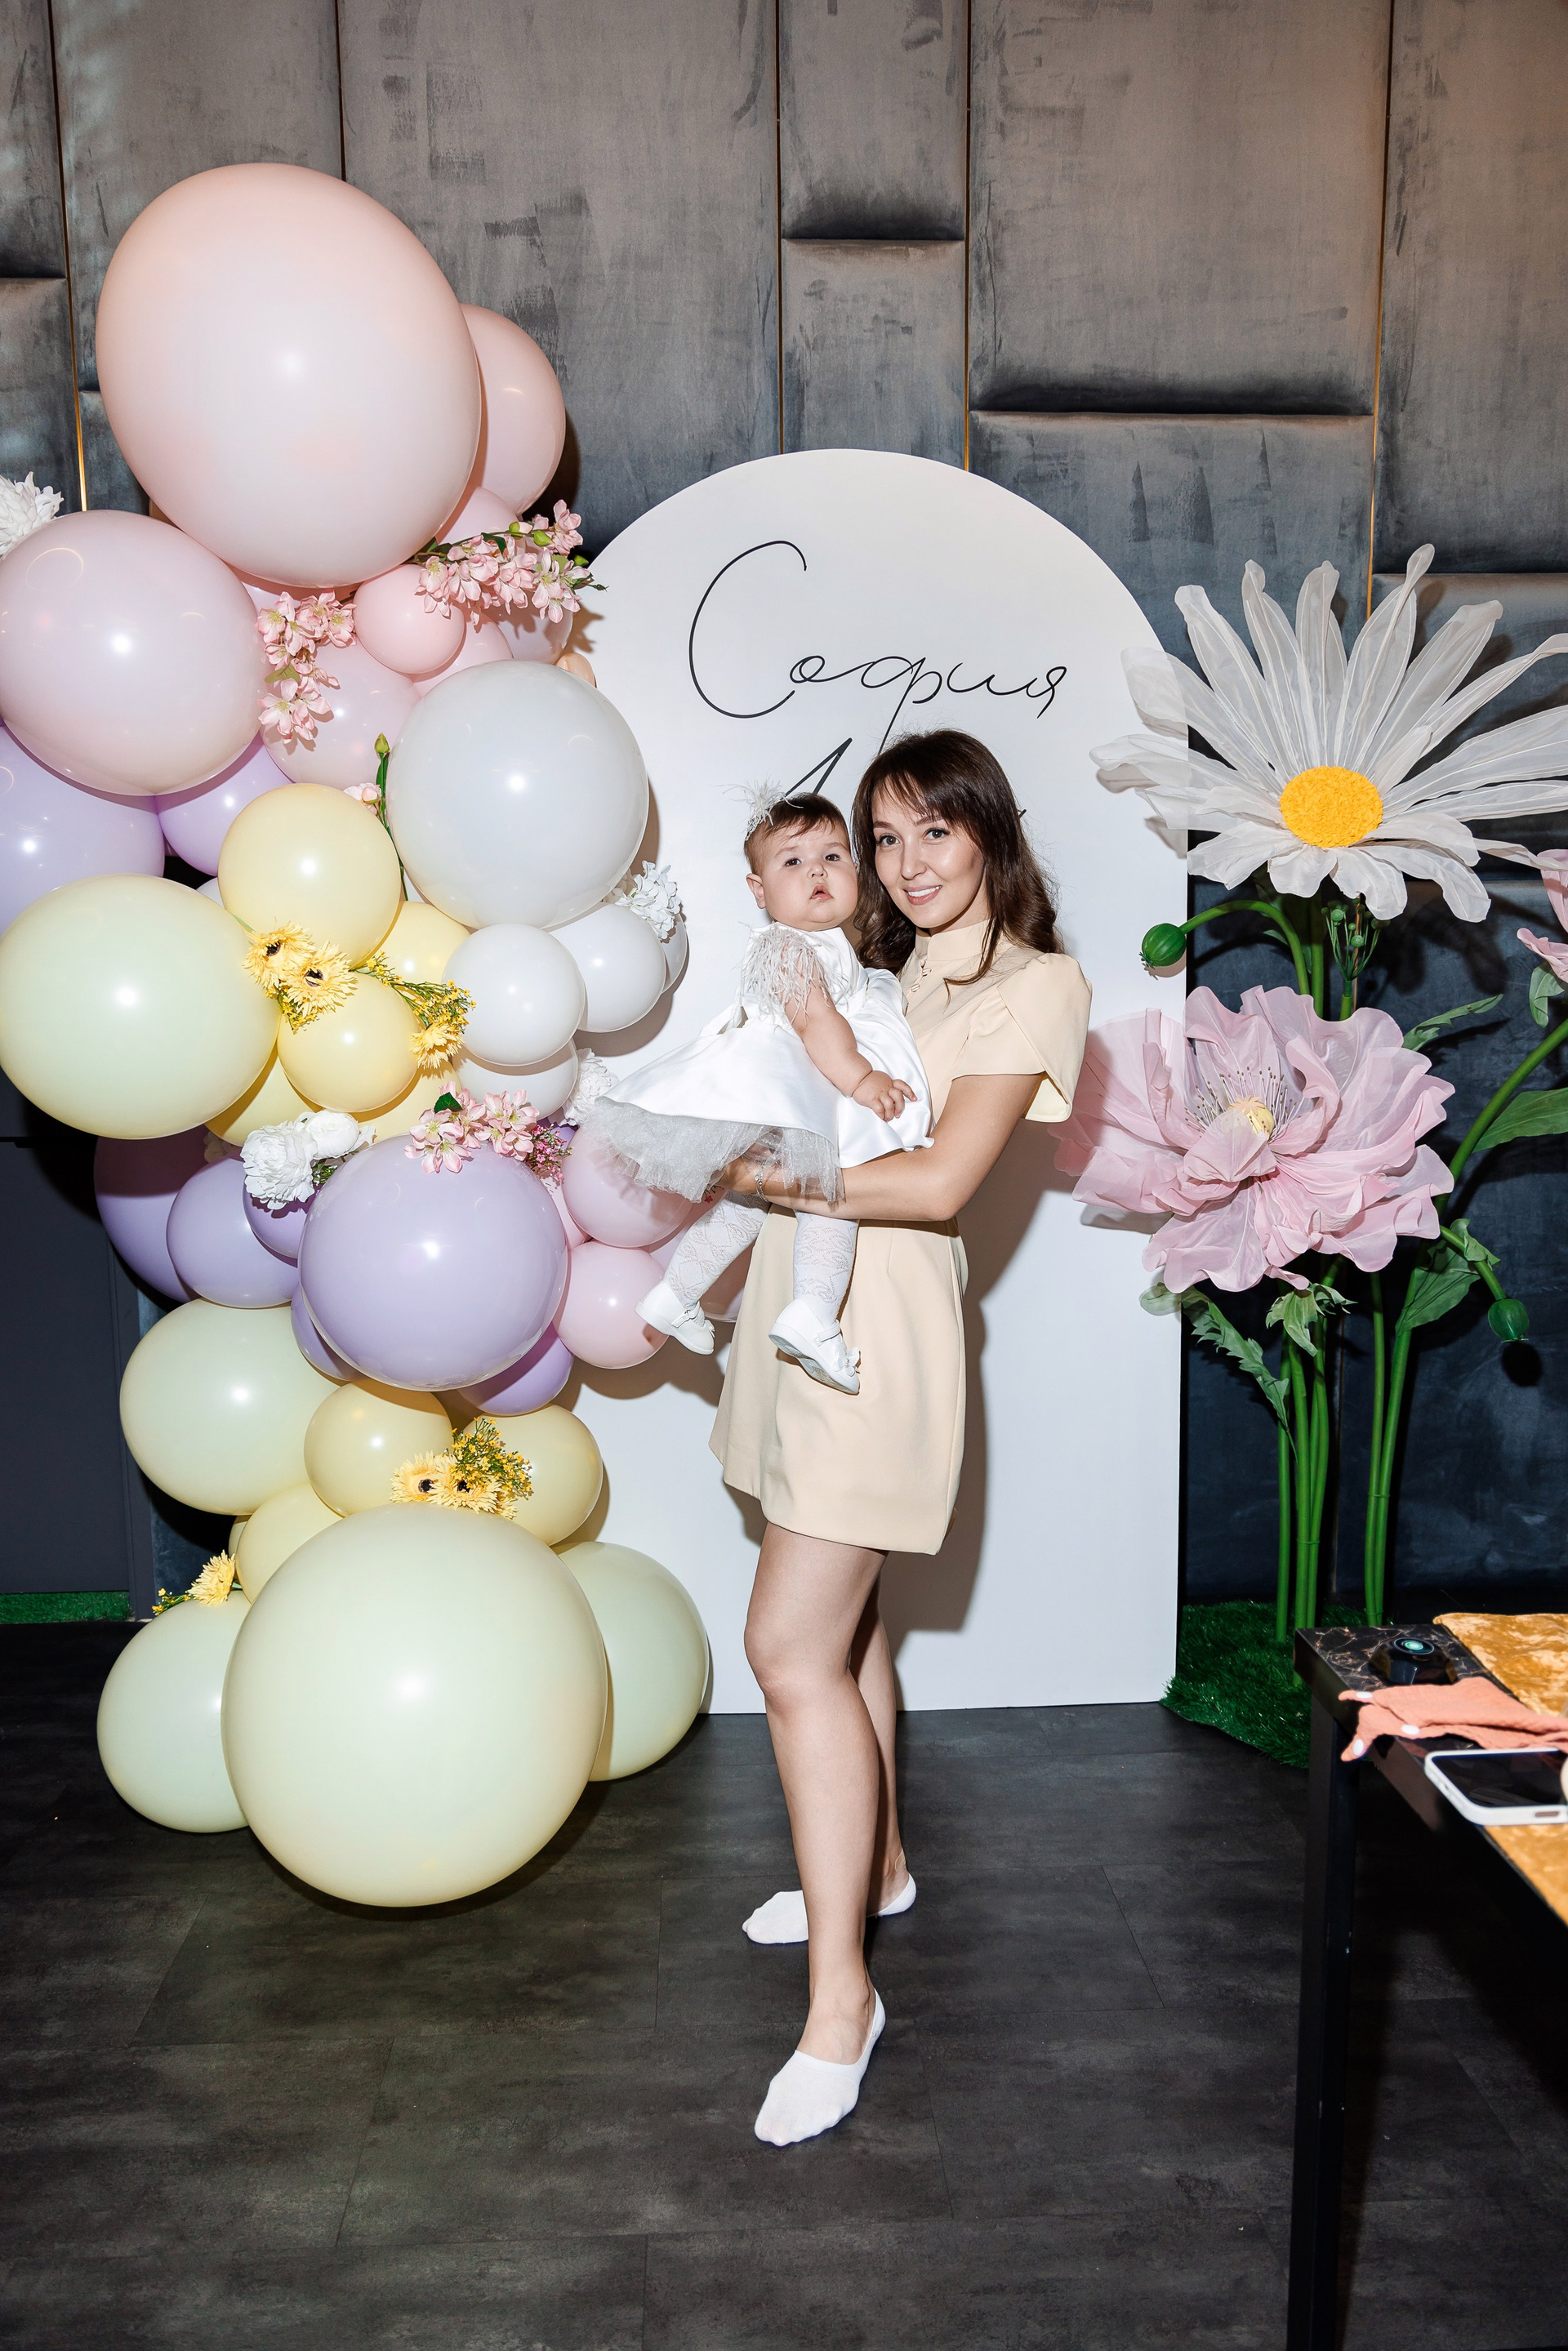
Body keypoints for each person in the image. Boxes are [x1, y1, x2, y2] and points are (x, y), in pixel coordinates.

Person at [710, 728, 1092, 2147]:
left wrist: (751, 1167)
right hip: (799, 1304)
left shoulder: (1036, 983)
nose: (908, 862)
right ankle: (874, 1871)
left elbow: (936, 1182)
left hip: (881, 1332)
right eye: (884, 835)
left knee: (787, 1646)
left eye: (937, 829)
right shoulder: (875, 962)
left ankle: (842, 2002)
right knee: (850, 1625)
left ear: (991, 831)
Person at [587, 789, 932, 1394]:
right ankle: (814, 1311)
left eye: (833, 856)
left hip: (793, 1094)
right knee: (830, 1197)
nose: (817, 872)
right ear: (759, 890)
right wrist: (862, 1078)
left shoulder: (831, 946)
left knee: (747, 1205)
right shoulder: (788, 947)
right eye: (792, 862)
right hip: (794, 1091)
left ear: (856, 872)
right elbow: (818, 1024)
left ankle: (675, 1293)